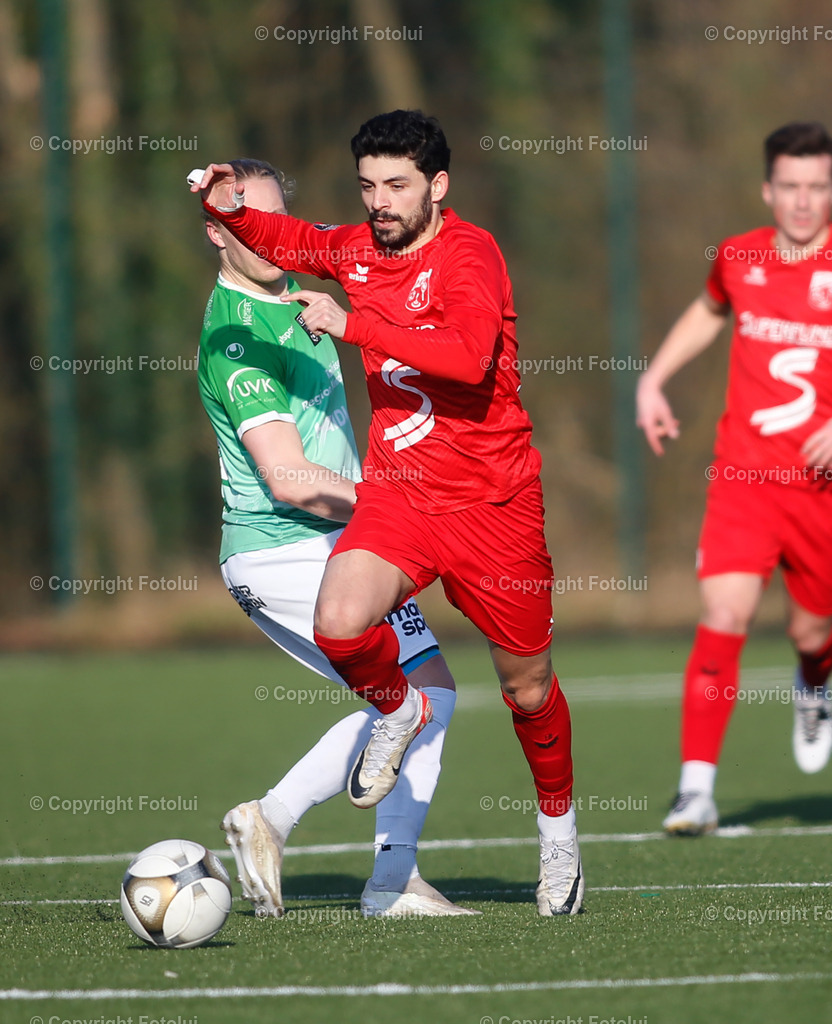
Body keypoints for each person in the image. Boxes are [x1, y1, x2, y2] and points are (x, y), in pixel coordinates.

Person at [192, 111, 582, 916]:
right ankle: (395, 721)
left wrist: (355, 324)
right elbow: (287, 236)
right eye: (368, 186)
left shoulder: (471, 254)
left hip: (494, 506)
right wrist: (226, 207)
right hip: (401, 498)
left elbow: (469, 359)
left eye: (397, 186)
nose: (380, 203)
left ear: (438, 185)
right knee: (343, 623)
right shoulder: (356, 250)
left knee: (529, 688)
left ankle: (559, 839)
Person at [635, 122, 832, 835]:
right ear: (767, 190)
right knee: (725, 614)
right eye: (789, 187)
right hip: (744, 476)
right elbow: (709, 310)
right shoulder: (738, 256)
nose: (802, 202)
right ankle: (696, 792)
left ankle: (813, 682)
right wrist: (653, 379)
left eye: (816, 187)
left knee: (811, 629)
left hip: (831, 487)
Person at [196, 157, 477, 918]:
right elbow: (289, 479)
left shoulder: (302, 297)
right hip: (281, 548)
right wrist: (403, 504)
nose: (268, 236)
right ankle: (287, 825)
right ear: (217, 231)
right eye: (246, 220)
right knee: (412, 698)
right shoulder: (236, 338)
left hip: (336, 539)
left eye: (276, 220)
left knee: (430, 693)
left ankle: (386, 877)